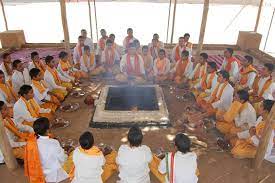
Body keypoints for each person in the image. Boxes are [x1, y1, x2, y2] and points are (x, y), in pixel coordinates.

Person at [24, 117, 69, 183]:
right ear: (47, 131)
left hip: (41, 172)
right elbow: (62, 159)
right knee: (75, 154)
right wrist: (66, 154)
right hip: (55, 174)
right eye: (50, 126)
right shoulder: (53, 142)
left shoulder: (32, 143)